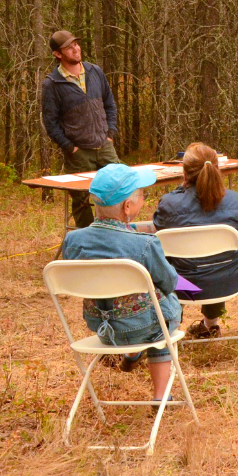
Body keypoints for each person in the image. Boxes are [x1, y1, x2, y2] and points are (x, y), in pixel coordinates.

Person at [60, 164, 181, 402]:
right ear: (128, 207)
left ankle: (133, 354)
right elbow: (170, 282)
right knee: (167, 311)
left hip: (101, 327)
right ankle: (160, 396)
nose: (144, 200)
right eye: (141, 196)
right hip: (141, 327)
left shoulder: (73, 241)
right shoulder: (145, 244)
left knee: (159, 313)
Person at [151, 143, 238, 339]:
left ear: (184, 173)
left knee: (178, 266)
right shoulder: (237, 201)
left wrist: (179, 190)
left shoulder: (169, 205)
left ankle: (171, 326)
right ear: (217, 170)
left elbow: (159, 229)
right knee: (216, 262)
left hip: (182, 285)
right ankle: (211, 325)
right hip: (230, 281)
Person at [41, 30, 121, 228]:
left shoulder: (95, 72)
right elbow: (50, 123)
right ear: (58, 54)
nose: (76, 49)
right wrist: (70, 148)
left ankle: (117, 236)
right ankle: (89, 245)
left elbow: (110, 104)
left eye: (76, 44)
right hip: (79, 154)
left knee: (120, 190)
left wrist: (110, 134)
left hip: (104, 146)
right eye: (69, 47)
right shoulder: (52, 84)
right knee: (81, 202)